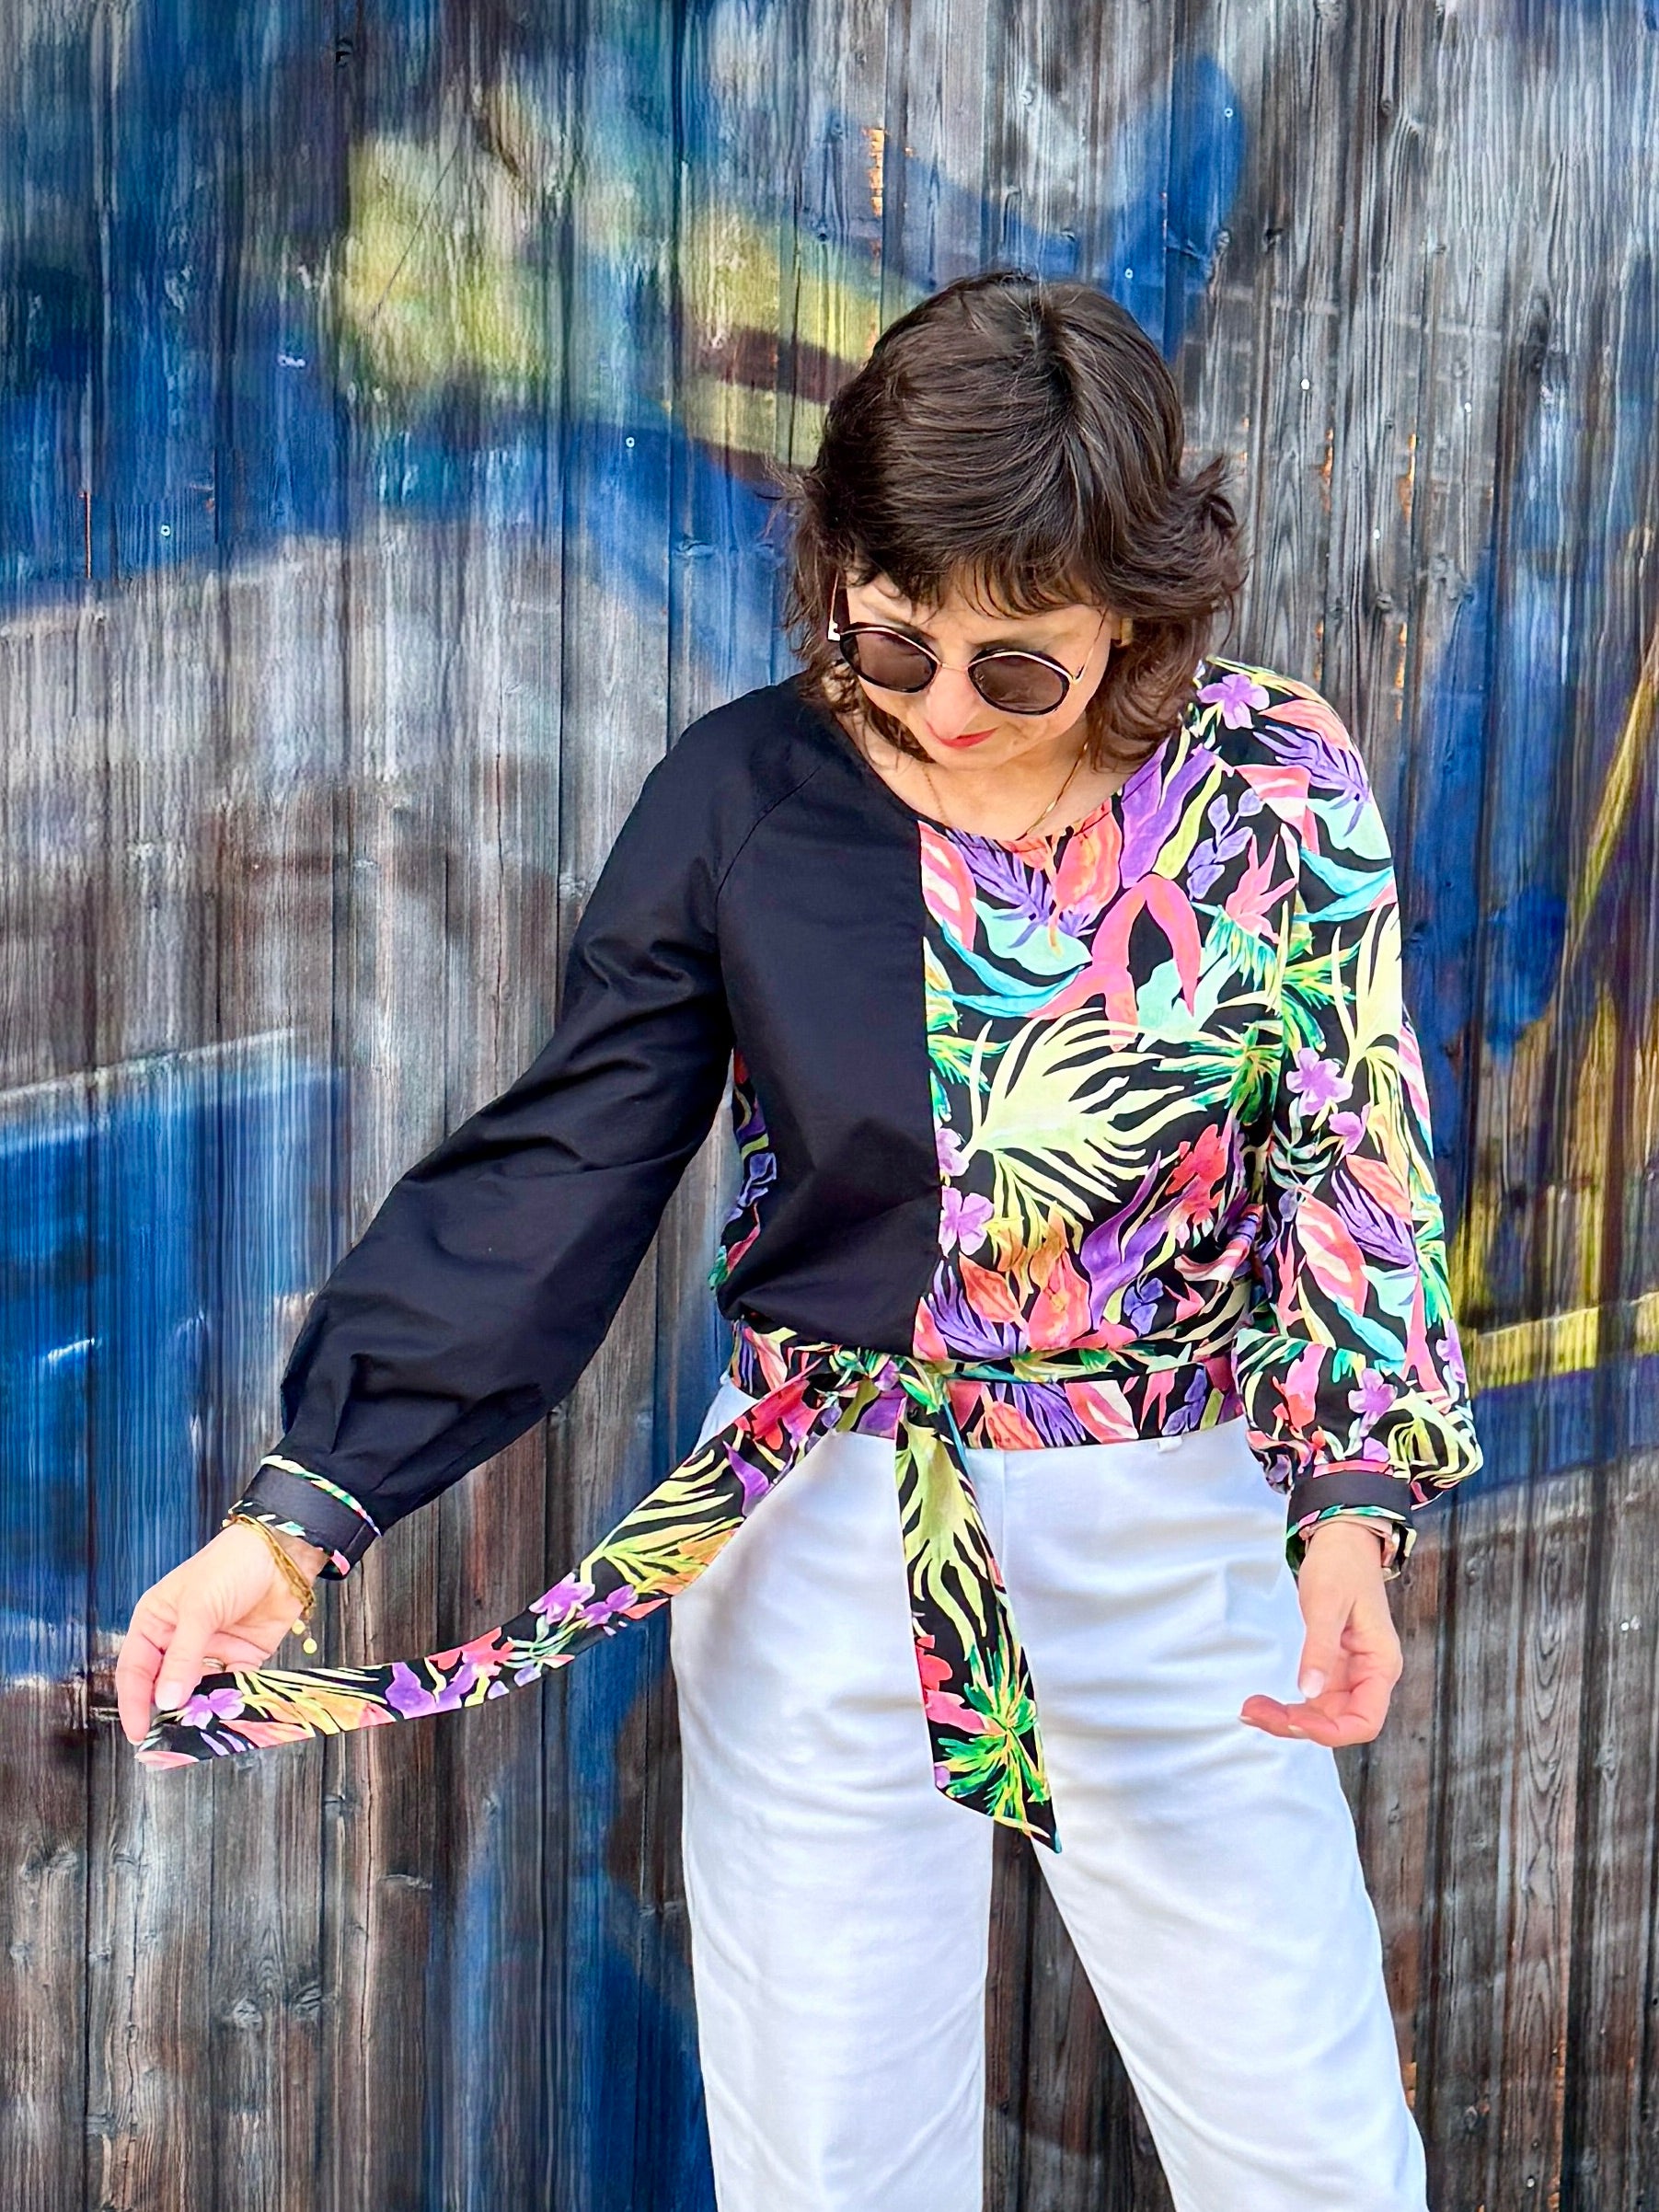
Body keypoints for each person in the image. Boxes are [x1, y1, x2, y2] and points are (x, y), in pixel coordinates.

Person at [116, 269, 1482, 2212]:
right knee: (833, 2165)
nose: (946, 706)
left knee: (1311, 2155)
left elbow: (1348, 1156)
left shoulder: (1273, 782)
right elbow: (563, 1166)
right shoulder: (745, 790)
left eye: (1020, 668)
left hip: (1173, 1531)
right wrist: (295, 1520)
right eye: (892, 637)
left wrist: (1350, 1509)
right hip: (829, 1518)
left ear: (1139, 611)